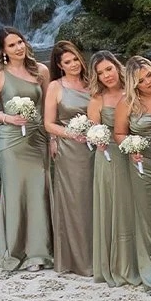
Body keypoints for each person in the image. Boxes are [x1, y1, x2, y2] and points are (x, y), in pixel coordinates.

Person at [0, 27, 52, 272]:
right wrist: (8, 118)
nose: (18, 47)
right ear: (3, 51)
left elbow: (50, 107)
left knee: (38, 192)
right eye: (12, 45)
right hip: (11, 142)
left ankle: (39, 254)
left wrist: (53, 137)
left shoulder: (41, 71)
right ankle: (16, 253)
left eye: (20, 42)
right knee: (15, 194)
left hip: (38, 138)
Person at [86, 52, 142, 287]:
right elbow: (93, 130)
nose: (106, 75)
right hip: (110, 158)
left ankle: (141, 260)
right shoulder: (97, 100)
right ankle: (119, 264)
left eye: (108, 69)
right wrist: (97, 139)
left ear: (117, 67)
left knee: (136, 205)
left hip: (138, 155)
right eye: (100, 73)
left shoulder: (135, 90)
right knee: (116, 205)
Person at [116, 55, 151, 294]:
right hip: (144, 165)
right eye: (141, 80)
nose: (148, 81)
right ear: (133, 85)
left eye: (149, 74)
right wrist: (131, 147)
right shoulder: (128, 102)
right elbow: (119, 134)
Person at [43, 40, 94, 276]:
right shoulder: (56, 86)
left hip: (96, 149)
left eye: (75, 59)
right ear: (59, 65)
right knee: (75, 201)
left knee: (95, 200)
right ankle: (77, 259)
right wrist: (69, 135)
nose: (73, 64)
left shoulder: (92, 83)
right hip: (70, 151)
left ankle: (99, 254)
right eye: (67, 62)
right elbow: (48, 124)